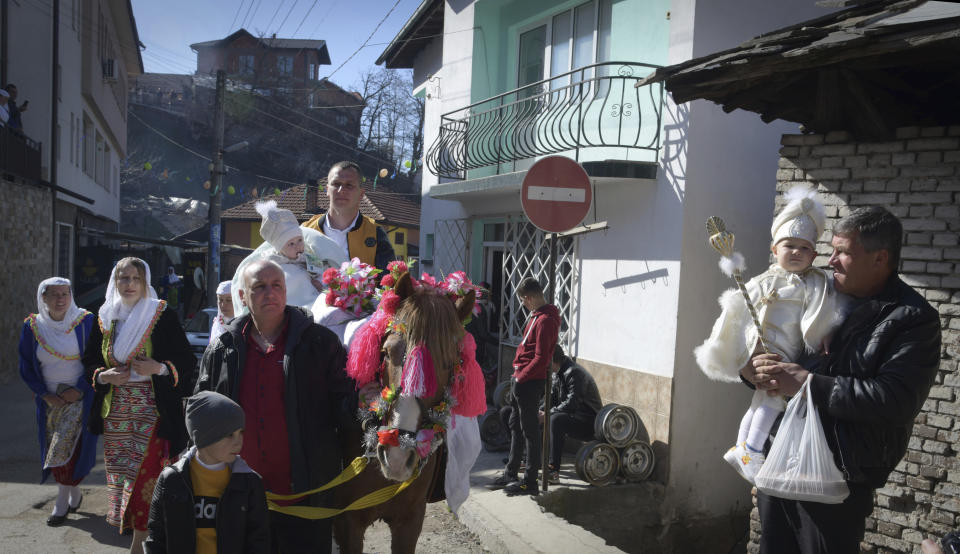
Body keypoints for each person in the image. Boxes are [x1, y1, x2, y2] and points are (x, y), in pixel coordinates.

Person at [743, 206, 941, 553]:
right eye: (831, 250)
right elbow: (780, 351)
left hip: (837, 478)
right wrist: (751, 370)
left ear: (880, 258)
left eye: (843, 252)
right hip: (780, 463)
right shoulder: (817, 291)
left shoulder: (912, 320)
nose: (830, 260)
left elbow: (894, 401)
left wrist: (809, 384)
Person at [195, 259, 357, 554]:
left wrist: (369, 404)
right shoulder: (222, 349)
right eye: (259, 287)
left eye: (276, 286)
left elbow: (345, 409)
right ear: (242, 297)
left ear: (285, 292)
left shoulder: (320, 343)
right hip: (237, 496)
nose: (269, 293)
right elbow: (201, 413)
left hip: (306, 497)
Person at [694, 186, 847, 482]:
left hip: (787, 348)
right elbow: (737, 309)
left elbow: (824, 309)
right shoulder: (762, 280)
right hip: (762, 347)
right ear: (774, 249)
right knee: (774, 397)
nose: (796, 253)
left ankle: (742, 448)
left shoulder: (815, 281)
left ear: (814, 254)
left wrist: (826, 331)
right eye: (789, 246)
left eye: (805, 248)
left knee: (762, 400)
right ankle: (751, 448)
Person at [82, 257, 195, 554]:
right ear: (114, 282)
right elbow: (89, 361)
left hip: (152, 411)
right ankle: (142, 536)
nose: (129, 284)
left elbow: (186, 360)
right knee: (123, 477)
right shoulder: (105, 317)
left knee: (146, 476)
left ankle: (140, 544)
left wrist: (158, 368)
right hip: (116, 413)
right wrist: (103, 375)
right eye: (123, 278)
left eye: (135, 278)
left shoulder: (160, 314)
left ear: (145, 282)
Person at [145, 391, 269, 554]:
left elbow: (260, 541)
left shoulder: (250, 483)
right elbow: (156, 538)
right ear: (204, 436)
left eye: (241, 432)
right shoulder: (171, 479)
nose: (238, 442)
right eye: (229, 434)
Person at [18, 278, 98, 525]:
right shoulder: (33, 326)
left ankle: (61, 501)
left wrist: (81, 389)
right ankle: (73, 492)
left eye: (65, 294)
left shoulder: (85, 321)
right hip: (49, 402)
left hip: (80, 398)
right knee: (56, 448)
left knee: (66, 448)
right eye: (54, 295)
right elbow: (26, 365)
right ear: (43, 298)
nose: (61, 299)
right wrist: (44, 393)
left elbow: (98, 358)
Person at [491, 277, 560, 495]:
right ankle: (511, 471)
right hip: (520, 377)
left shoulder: (547, 319)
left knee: (530, 431)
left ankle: (529, 482)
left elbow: (541, 357)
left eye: (523, 300)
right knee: (515, 425)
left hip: (530, 381)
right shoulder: (536, 316)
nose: (524, 304)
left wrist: (522, 377)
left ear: (529, 298)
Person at [230, 200, 344, 313]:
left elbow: (320, 273)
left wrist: (320, 284)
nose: (297, 246)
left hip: (314, 298)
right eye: (291, 244)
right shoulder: (273, 263)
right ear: (280, 248)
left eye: (300, 240)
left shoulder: (309, 256)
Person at [301, 161, 395, 270]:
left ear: (361, 194)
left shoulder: (375, 233)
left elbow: (389, 281)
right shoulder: (305, 231)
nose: (341, 190)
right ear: (327, 190)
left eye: (349, 185)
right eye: (336, 184)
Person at [541, 345, 602, 482]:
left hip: (589, 421)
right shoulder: (557, 372)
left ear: (552, 360)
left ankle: (553, 470)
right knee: (539, 415)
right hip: (574, 416)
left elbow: (572, 403)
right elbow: (551, 399)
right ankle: (530, 460)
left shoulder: (574, 372)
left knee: (555, 420)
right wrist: (541, 411)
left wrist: (547, 414)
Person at [208, 281, 233, 346]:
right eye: (220, 300)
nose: (223, 305)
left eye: (229, 300)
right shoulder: (216, 325)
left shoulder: (245, 326)